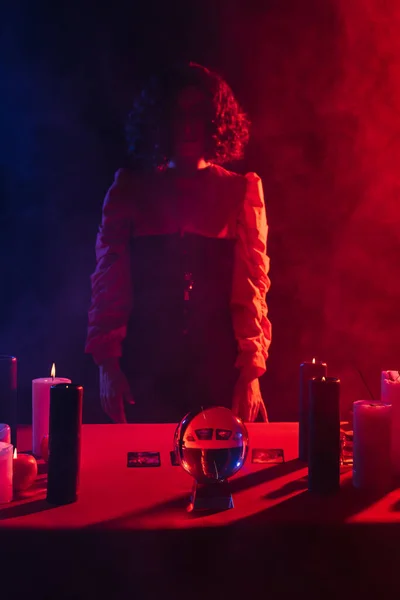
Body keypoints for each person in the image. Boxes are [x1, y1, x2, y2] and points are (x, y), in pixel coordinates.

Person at [85, 62, 272, 423]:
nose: (187, 126)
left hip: (218, 371)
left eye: (198, 114)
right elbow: (109, 285)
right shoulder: (131, 190)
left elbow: (251, 290)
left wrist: (251, 373)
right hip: (146, 371)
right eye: (177, 114)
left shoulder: (240, 191)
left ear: (214, 120)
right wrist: (108, 364)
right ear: (161, 121)